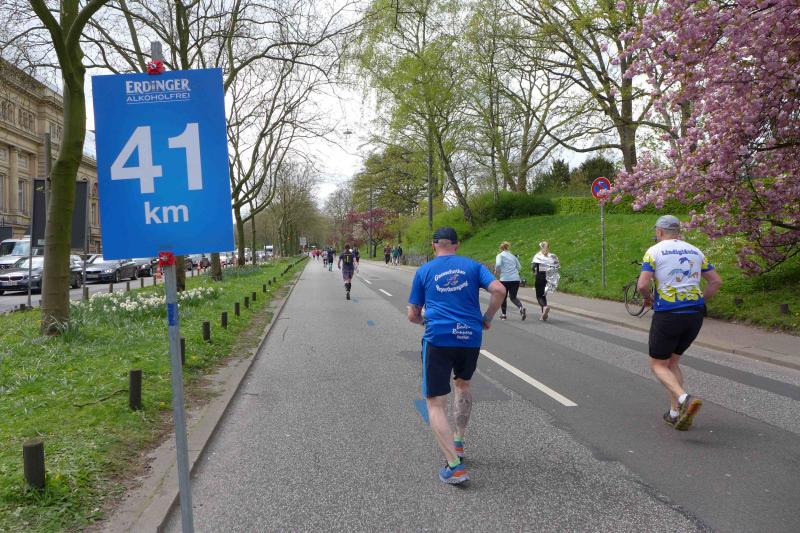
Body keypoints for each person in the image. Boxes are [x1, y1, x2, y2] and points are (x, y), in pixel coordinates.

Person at [407, 227, 506, 485]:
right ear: (456, 244)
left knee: (434, 402)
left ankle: (454, 467)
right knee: (463, 385)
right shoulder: (473, 266)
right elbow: (499, 289)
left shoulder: (424, 271)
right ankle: (459, 441)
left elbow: (412, 314)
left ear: (433, 245)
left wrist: (423, 321)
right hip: (469, 336)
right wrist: (487, 317)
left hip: (438, 338)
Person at [638, 215, 722, 430]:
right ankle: (675, 413)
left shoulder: (654, 251)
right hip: (694, 315)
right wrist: (700, 301)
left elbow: (642, 285)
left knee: (658, 364)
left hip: (669, 314)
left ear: (659, 231)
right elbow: (716, 281)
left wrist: (648, 299)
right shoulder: (695, 251)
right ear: (678, 231)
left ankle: (685, 399)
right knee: (672, 363)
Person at [495, 241, 527, 320]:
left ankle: (504, 315)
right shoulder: (513, 256)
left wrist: (496, 270)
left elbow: (498, 264)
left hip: (505, 279)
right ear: (508, 248)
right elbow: (519, 267)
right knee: (513, 297)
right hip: (515, 279)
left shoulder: (500, 255)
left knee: (503, 297)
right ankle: (521, 307)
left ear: (501, 249)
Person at [531, 241, 559, 321]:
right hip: (549, 278)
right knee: (543, 295)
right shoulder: (553, 256)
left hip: (540, 277)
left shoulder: (538, 255)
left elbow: (533, 267)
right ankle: (544, 314)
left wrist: (534, 272)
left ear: (541, 247)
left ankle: (544, 307)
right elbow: (557, 266)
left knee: (539, 296)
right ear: (548, 247)